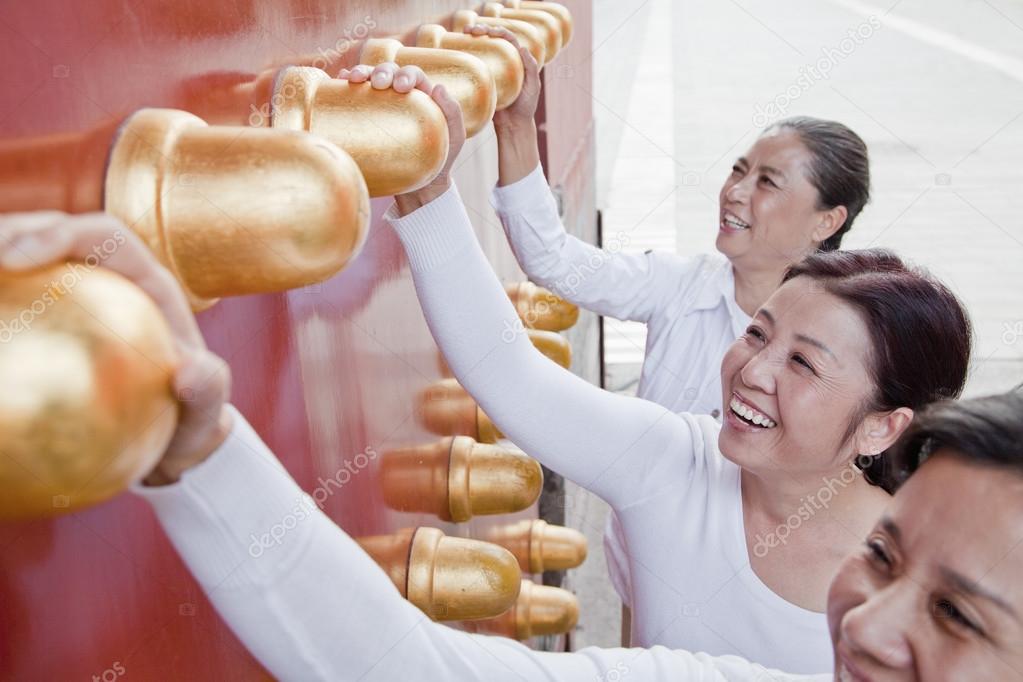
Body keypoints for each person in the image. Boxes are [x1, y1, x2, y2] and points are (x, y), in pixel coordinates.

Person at [2, 212, 1018, 682]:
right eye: (880, 564)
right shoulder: (682, 464)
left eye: (961, 616)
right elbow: (409, 666)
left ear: (886, 428)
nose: (870, 626)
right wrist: (202, 448)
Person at [465, 25, 874, 643]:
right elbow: (553, 260)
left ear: (827, 220)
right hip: (648, 553)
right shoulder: (680, 285)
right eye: (739, 169)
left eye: (768, 183)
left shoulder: (854, 337)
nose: (735, 192)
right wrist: (517, 126)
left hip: (770, 572)